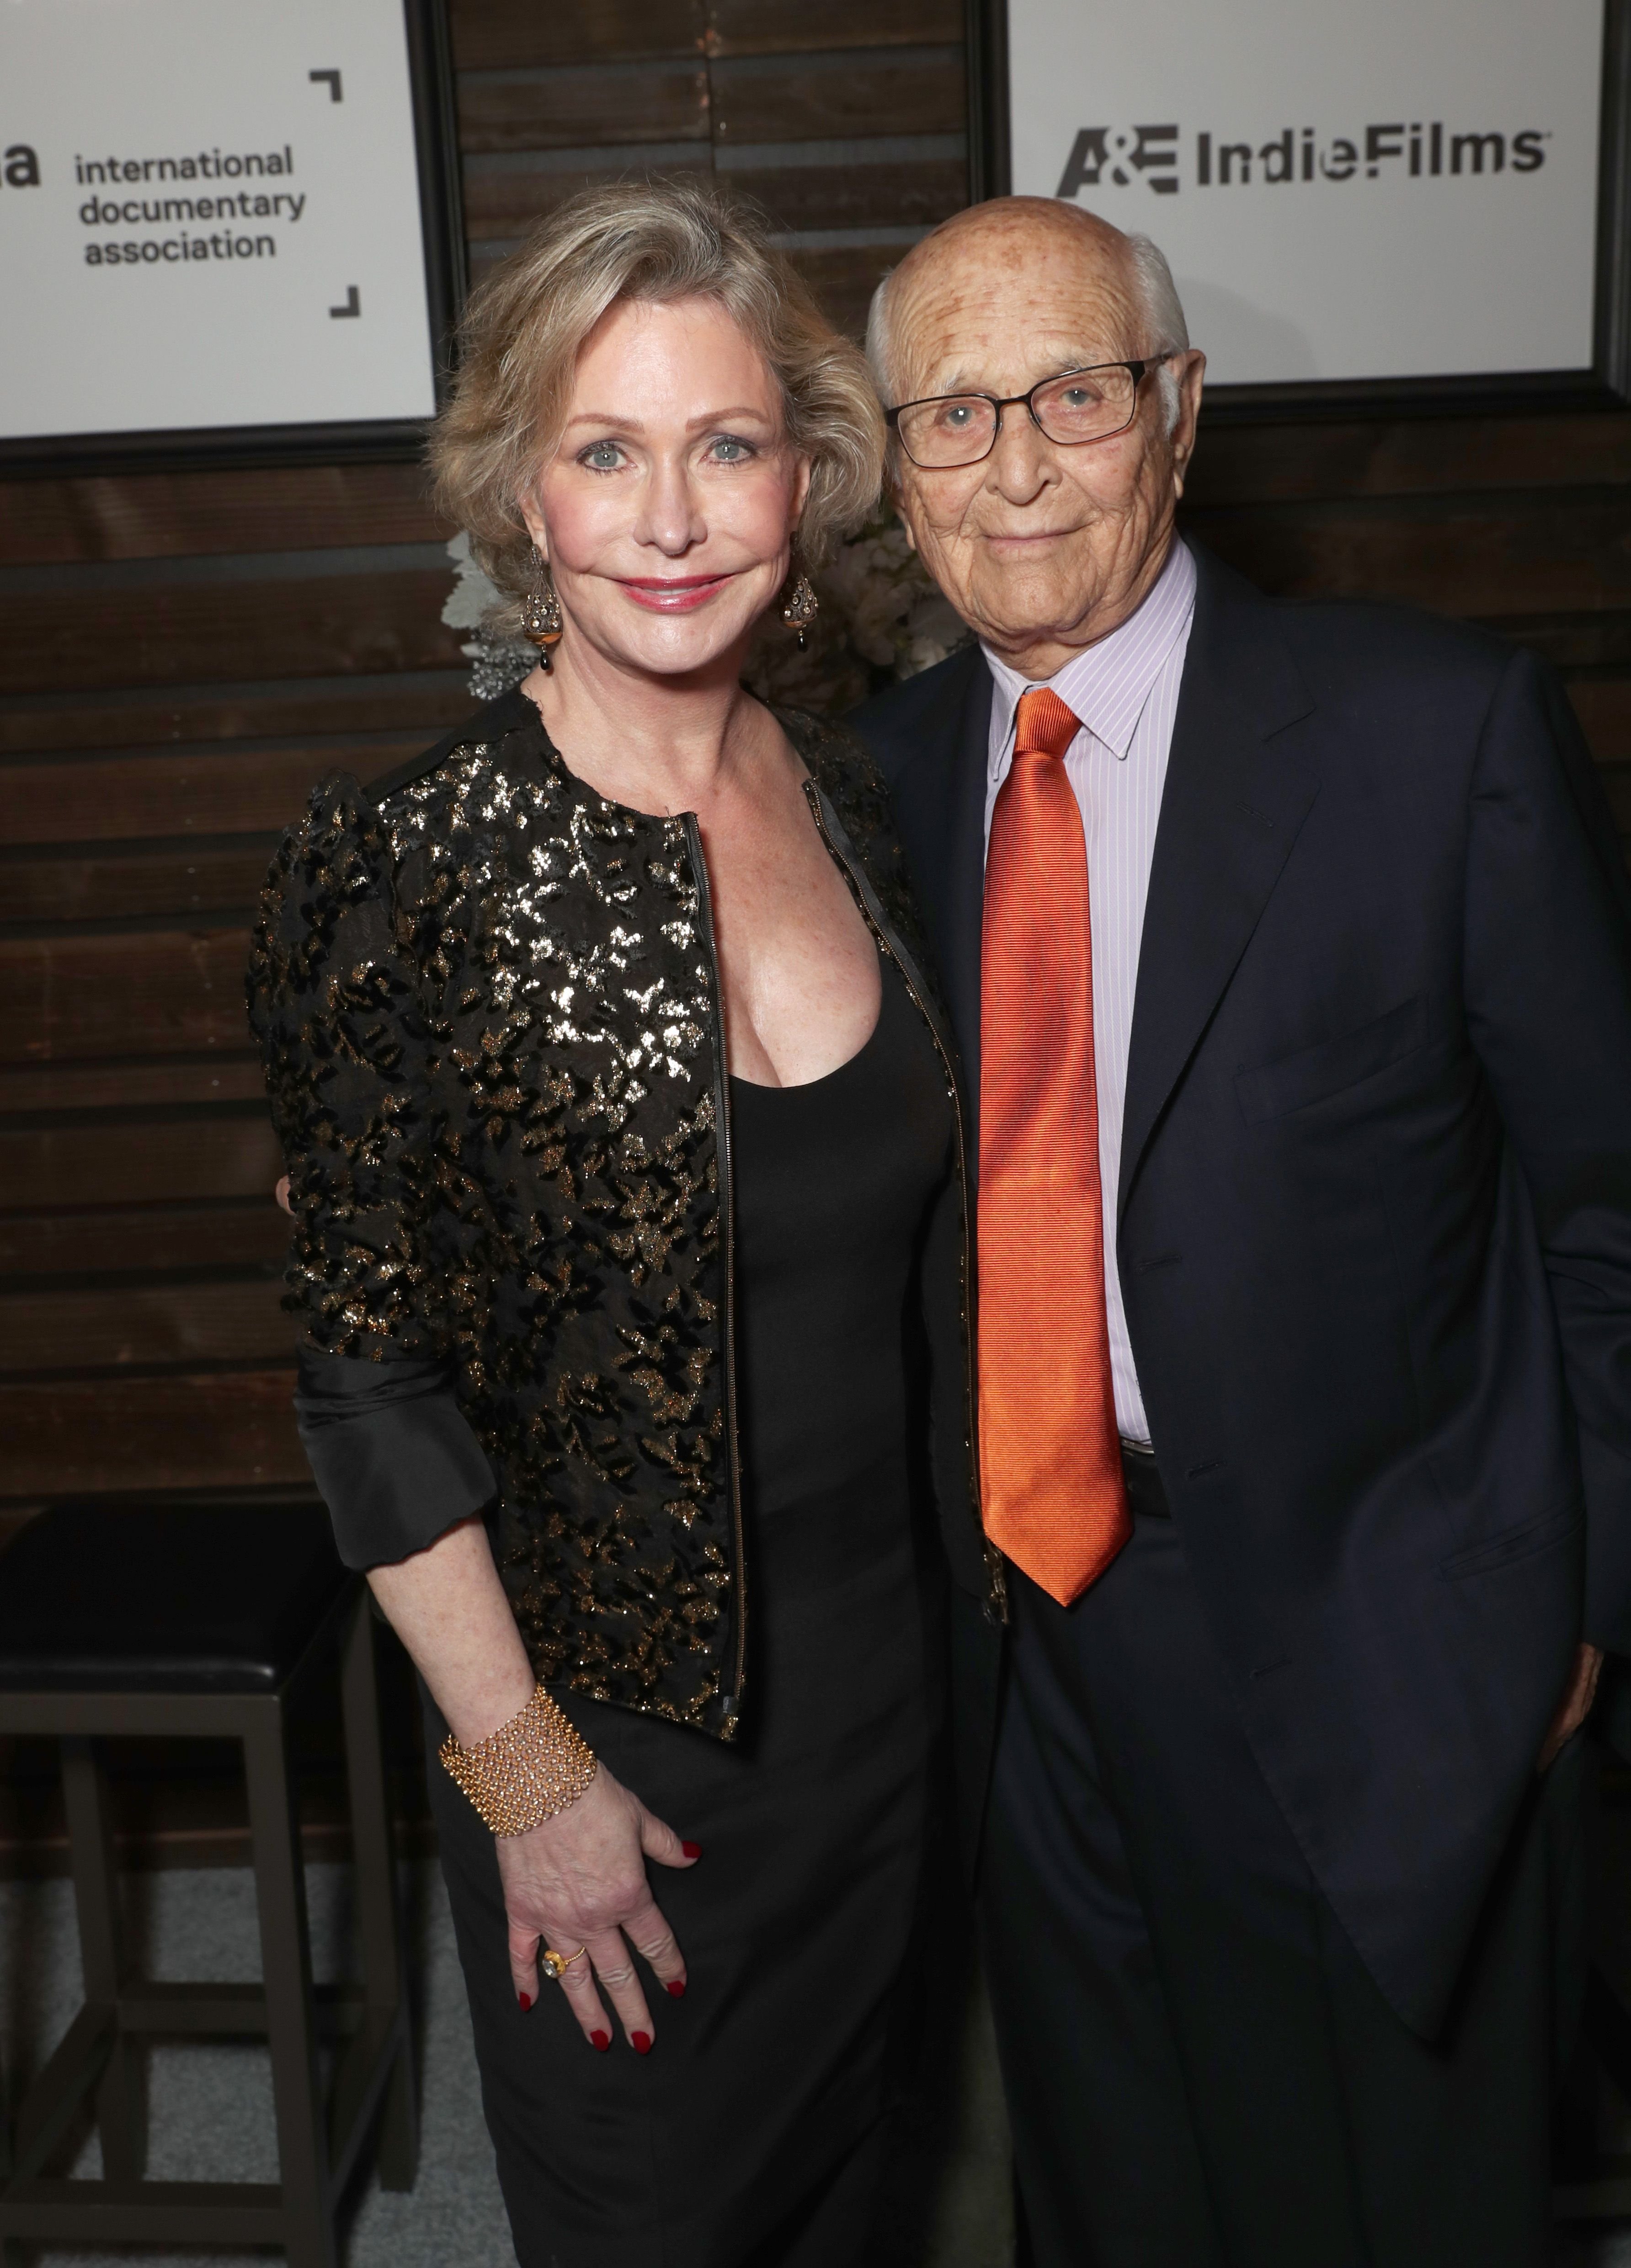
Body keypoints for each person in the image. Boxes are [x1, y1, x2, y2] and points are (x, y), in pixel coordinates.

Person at [851, 193, 1631, 2268]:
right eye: (952, 412)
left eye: (1073, 395)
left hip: (1369, 1629)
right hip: (1020, 1642)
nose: (1013, 465)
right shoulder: (869, 785)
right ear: (892, 459)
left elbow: (1609, 1206)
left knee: (1383, 2205)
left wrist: (1577, 1605)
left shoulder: (1431, 734)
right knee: (1111, 2186)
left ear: (1179, 416)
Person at [246, 181, 989, 2268]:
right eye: (604, 450)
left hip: (890, 1707)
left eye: (726, 445)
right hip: (611, 1761)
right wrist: (527, 1785)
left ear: (807, 480)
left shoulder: (860, 798)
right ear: (521, 498)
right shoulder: (393, 869)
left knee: (868, 2201)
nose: (671, 516)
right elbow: (370, 1388)